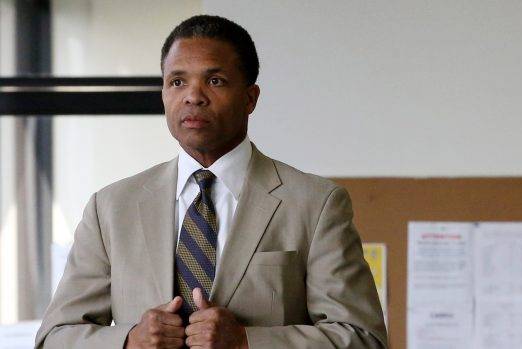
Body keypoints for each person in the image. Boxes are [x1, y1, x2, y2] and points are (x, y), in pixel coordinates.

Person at [35, 14, 387, 349]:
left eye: (214, 80)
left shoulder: (316, 203)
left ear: (250, 98)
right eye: (177, 82)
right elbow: (55, 337)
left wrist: (247, 341)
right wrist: (128, 341)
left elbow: (362, 338)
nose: (193, 96)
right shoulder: (110, 208)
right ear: (163, 94)